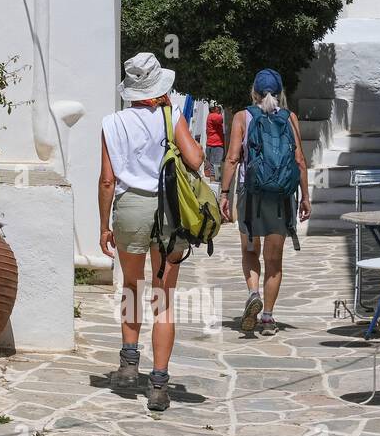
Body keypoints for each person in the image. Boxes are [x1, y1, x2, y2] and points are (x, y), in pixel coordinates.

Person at [98, 52, 204, 412]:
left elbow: (108, 180)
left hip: (130, 209)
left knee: (131, 286)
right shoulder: (170, 115)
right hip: (168, 210)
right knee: (164, 299)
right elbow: (196, 159)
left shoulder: (112, 122)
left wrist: (103, 226)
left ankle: (129, 364)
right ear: (158, 86)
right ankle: (158, 384)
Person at [217, 69, 310, 334]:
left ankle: (252, 293)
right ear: (280, 93)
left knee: (249, 251)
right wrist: (305, 197)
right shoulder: (289, 118)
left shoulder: (241, 117)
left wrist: (224, 194)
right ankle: (268, 318)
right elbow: (300, 160)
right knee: (274, 259)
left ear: (253, 92)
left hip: (251, 195)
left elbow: (233, 158)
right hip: (282, 197)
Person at [204, 103, 225, 181]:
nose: (219, 109)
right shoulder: (214, 116)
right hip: (216, 144)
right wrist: (221, 112)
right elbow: (221, 119)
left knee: (213, 166)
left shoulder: (209, 116)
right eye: (217, 108)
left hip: (210, 144)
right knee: (216, 166)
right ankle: (216, 183)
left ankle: (214, 183)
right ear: (213, 108)